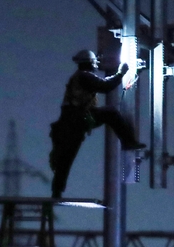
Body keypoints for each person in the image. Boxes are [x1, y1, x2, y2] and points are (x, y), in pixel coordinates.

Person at [49, 49, 145, 198]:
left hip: (70, 122)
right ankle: (129, 142)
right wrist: (120, 73)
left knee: (66, 159)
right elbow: (105, 86)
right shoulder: (85, 77)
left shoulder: (79, 77)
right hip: (76, 120)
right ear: (91, 64)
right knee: (110, 113)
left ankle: (57, 191)